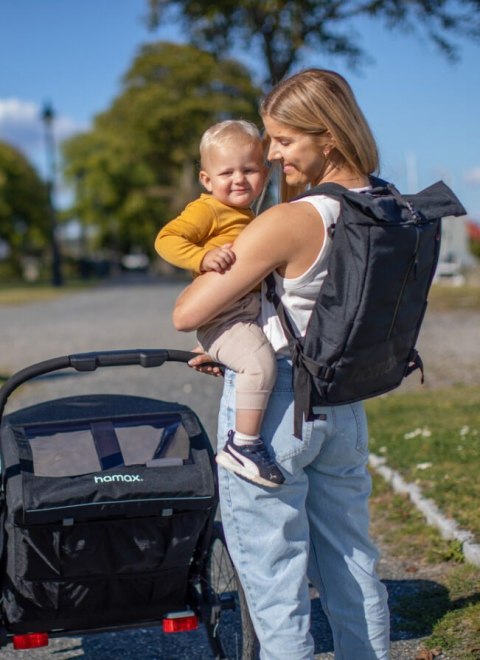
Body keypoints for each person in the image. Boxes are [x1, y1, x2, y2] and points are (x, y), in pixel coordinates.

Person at [172, 69, 390, 659]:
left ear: (329, 137)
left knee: (275, 578)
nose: (270, 154)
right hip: (342, 402)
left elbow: (188, 310)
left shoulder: (291, 219)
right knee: (353, 559)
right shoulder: (384, 205)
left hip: (274, 413)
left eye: (284, 141)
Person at [155, 119, 284, 488]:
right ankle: (244, 445)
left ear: (264, 173)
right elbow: (166, 238)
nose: (239, 179)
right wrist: (200, 257)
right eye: (226, 172)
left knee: (259, 358)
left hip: (245, 313)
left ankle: (219, 355)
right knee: (260, 366)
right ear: (207, 180)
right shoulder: (208, 209)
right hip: (226, 315)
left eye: (249, 169)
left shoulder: (251, 215)